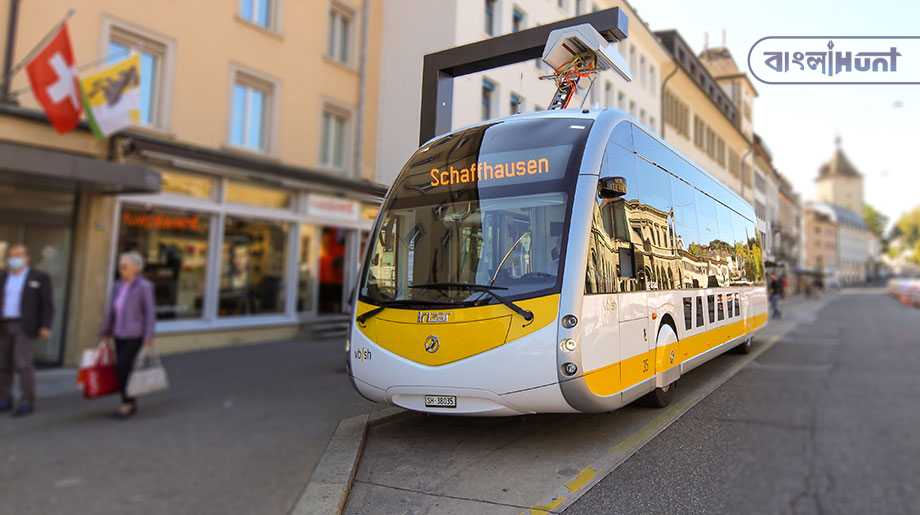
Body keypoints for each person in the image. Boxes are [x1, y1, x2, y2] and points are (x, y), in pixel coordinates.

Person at [100, 251, 156, 419]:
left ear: (136, 268)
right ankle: (128, 401)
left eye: (124, 264)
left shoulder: (144, 286)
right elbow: (111, 310)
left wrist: (148, 336)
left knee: (123, 366)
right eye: (120, 264)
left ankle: (128, 403)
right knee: (123, 368)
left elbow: (150, 313)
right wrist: (105, 331)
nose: (121, 267)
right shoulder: (118, 285)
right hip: (118, 333)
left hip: (134, 334)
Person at [0, 244, 53, 417]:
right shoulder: (3, 276)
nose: (14, 258)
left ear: (27, 258)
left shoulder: (39, 277)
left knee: (23, 363)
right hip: (4, 324)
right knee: (3, 363)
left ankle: (27, 400)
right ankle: (4, 398)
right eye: (12, 255)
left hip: (24, 325)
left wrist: (46, 325)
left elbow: (47, 304)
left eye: (19, 255)